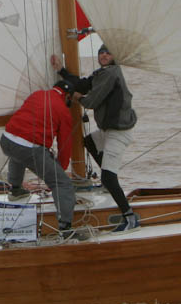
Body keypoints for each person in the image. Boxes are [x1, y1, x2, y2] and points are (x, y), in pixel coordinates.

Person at [53, 44, 140, 232]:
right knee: (89, 141)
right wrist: (61, 71)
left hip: (118, 132)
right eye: (101, 52)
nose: (104, 55)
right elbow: (82, 85)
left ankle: (130, 218)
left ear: (114, 57)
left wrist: (76, 97)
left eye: (108, 52)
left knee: (108, 176)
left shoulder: (110, 73)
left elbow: (91, 101)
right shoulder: (102, 73)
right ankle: (108, 185)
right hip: (108, 131)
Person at [0, 79, 81, 239]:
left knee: (18, 153)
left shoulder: (37, 94)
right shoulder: (63, 111)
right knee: (62, 183)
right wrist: (60, 169)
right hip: (27, 149)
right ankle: (66, 229)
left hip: (6, 140)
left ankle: (15, 190)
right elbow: (65, 144)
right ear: (68, 96)